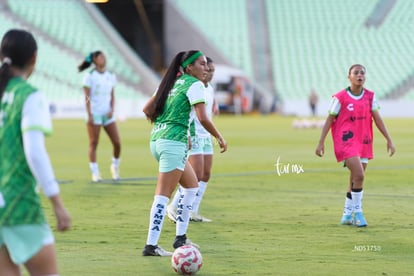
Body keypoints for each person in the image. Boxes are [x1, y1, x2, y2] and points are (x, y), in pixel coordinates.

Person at [141, 50, 227, 257]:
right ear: (189, 67)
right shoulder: (194, 84)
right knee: (162, 195)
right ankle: (151, 246)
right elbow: (204, 118)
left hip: (158, 139)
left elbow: (147, 109)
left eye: (207, 64)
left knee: (191, 187)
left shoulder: (170, 83)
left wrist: (167, 124)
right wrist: (220, 137)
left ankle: (180, 238)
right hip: (173, 143)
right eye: (202, 64)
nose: (206, 68)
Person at [0, 29, 71, 276]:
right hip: (18, 203)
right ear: (34, 58)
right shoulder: (29, 96)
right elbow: (35, 152)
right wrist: (57, 204)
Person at [315, 64, 395, 227]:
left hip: (364, 140)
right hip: (346, 141)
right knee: (359, 175)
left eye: (362, 73)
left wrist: (389, 139)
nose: (360, 75)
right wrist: (321, 142)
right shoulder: (340, 97)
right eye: (356, 73)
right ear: (349, 77)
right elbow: (329, 119)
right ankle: (358, 213)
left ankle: (346, 214)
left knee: (355, 178)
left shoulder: (370, 97)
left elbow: (378, 119)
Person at [167, 57, 219, 223]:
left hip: (205, 135)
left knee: (205, 174)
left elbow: (208, 109)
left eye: (212, 71)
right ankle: (174, 207)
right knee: (194, 174)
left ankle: (193, 211)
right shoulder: (193, 86)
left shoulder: (209, 88)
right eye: (207, 69)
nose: (209, 73)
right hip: (194, 132)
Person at [78, 51, 121, 182]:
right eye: (101, 57)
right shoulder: (89, 76)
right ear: (95, 60)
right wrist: (89, 114)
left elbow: (112, 95)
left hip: (107, 113)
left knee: (117, 143)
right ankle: (95, 172)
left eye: (104, 56)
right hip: (94, 113)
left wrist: (112, 109)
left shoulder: (110, 75)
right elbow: (87, 97)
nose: (104, 58)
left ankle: (115, 166)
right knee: (94, 142)